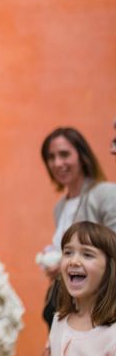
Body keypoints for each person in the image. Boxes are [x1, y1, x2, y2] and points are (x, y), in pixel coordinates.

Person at [40, 127, 116, 329]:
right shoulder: (60, 208)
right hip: (63, 302)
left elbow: (113, 250)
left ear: (82, 156)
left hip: (98, 310)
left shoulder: (105, 194)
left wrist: (69, 262)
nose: (57, 163)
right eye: (51, 157)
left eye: (64, 154)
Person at [46, 221, 116, 356]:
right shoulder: (59, 320)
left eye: (87, 254)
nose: (74, 261)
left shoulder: (112, 336)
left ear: (110, 268)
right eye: (68, 252)